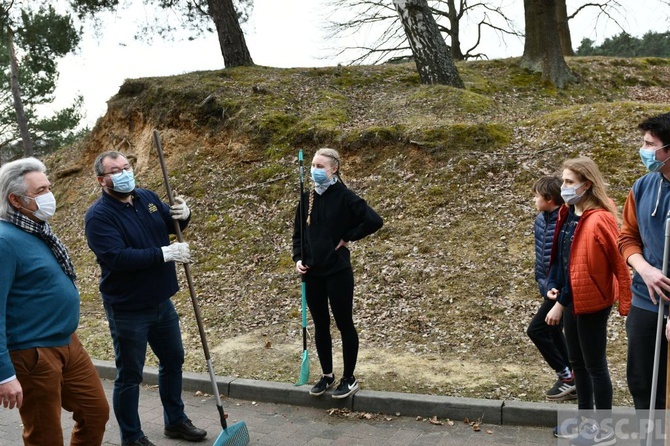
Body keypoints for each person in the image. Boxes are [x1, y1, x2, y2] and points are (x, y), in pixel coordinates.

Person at [84, 151, 206, 446]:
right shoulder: (98, 216)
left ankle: (175, 421)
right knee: (130, 374)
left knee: (173, 359)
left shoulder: (147, 198)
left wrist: (184, 216)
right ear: (102, 180)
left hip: (161, 300)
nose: (124, 173)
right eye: (116, 170)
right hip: (127, 307)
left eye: (127, 167)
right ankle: (132, 436)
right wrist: (166, 253)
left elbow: (170, 226)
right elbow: (117, 257)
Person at [0, 157, 109, 445]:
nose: (50, 195)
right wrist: (4, 375)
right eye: (40, 191)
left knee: (95, 412)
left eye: (49, 187)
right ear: (15, 199)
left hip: (68, 342)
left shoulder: (38, 230)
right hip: (32, 352)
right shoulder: (4, 240)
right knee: (45, 436)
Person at [545, 157, 631, 445]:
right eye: (564, 181)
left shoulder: (600, 218)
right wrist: (554, 286)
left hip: (592, 300)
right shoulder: (567, 214)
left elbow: (619, 262)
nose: (564, 187)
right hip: (571, 298)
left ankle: (603, 430)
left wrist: (625, 301)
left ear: (587, 184)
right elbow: (561, 256)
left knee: (594, 365)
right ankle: (585, 421)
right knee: (577, 362)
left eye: (570, 182)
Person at [293, 147, 383, 399]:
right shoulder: (307, 197)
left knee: (344, 323)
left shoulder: (345, 196)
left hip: (337, 271)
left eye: (320, 166)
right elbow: (298, 234)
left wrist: (347, 237)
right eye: (313, 165)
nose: (315, 170)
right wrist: (298, 258)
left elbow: (374, 220)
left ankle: (349, 378)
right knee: (321, 325)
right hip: (311, 273)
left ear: (334, 169)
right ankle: (327, 375)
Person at [619, 112, 670, 444]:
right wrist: (645, 268)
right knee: (640, 380)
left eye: (649, 144)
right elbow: (627, 238)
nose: (644, 150)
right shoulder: (643, 186)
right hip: (646, 303)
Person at [526, 176, 576, 401]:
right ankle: (572, 378)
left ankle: (566, 376)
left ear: (549, 199)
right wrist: (544, 285)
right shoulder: (541, 220)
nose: (534, 198)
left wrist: (558, 289)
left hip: (563, 291)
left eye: (537, 195)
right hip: (549, 287)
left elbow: (564, 260)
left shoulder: (564, 221)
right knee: (553, 329)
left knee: (536, 330)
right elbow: (542, 258)